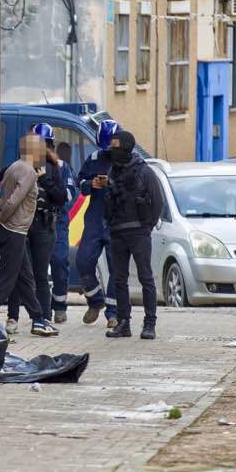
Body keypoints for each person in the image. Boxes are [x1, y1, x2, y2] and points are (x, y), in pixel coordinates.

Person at [0, 133, 53, 337]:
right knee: (7, 277)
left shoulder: (14, 166)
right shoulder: (29, 172)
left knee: (25, 277)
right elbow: (14, 200)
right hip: (14, 230)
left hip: (9, 229)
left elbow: (1, 191)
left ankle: (37, 318)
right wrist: (0, 218)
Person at [6, 124, 67, 337]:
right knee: (18, 272)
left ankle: (43, 319)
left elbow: (62, 197)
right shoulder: (17, 167)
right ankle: (12, 317)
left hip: (43, 226)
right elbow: (2, 189)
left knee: (41, 275)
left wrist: (44, 179)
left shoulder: (52, 168)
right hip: (21, 227)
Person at [103, 130, 164, 340]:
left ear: (127, 147)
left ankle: (149, 324)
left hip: (139, 233)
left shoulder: (144, 171)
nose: (113, 150)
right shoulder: (113, 171)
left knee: (146, 277)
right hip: (117, 232)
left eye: (116, 145)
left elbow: (158, 202)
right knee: (119, 279)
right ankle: (124, 323)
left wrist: (147, 226)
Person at [76, 119, 122, 328]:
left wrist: (112, 184)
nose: (107, 153)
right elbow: (79, 182)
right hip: (94, 217)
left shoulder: (127, 160)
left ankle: (113, 313)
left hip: (116, 220)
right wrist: (90, 184)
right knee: (83, 260)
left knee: (116, 267)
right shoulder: (94, 158)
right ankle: (95, 300)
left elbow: (134, 186)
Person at [50, 141, 79, 324]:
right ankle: (40, 309)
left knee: (60, 260)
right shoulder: (28, 165)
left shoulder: (62, 167)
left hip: (57, 219)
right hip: (34, 222)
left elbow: (69, 194)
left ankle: (59, 306)